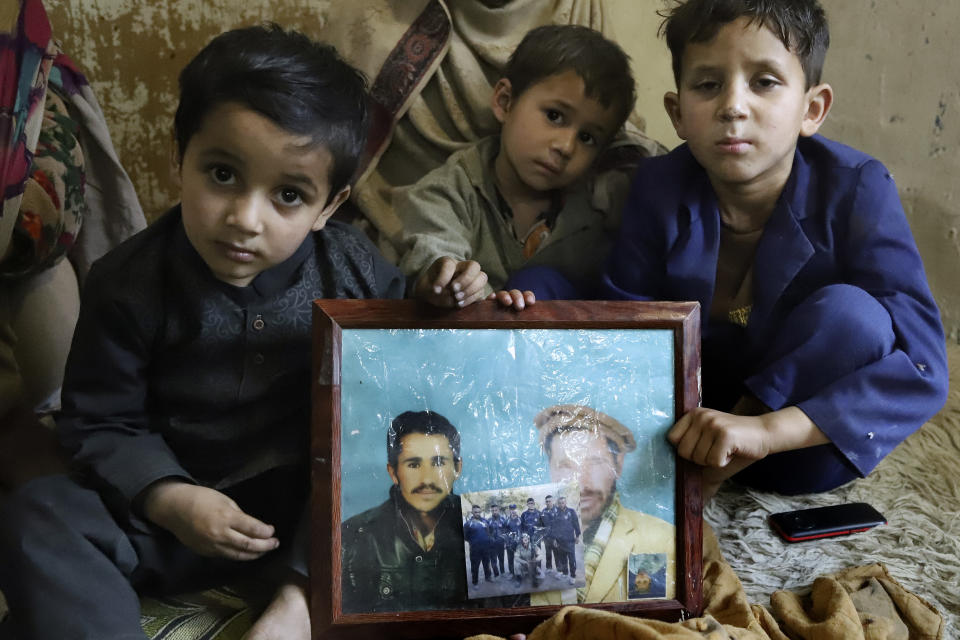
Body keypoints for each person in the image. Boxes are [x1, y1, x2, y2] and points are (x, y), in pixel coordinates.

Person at [0, 24, 404, 640]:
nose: (244, 218)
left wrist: (449, 292)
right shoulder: (127, 281)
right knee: (36, 515)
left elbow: (406, 371)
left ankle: (297, 605)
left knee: (410, 479)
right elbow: (103, 420)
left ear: (329, 206)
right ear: (178, 157)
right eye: (222, 175)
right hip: (177, 520)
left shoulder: (354, 270)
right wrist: (170, 498)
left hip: (310, 520)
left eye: (288, 195)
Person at [602, 0, 949, 498]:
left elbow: (924, 368)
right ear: (678, 114)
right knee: (543, 290)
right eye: (707, 84)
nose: (733, 106)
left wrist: (762, 432)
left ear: (812, 109)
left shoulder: (857, 188)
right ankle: (685, 476)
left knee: (853, 316)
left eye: (764, 81)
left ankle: (705, 483)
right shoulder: (658, 185)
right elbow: (625, 322)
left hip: (797, 452)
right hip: (684, 431)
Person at [396, 24, 639, 311]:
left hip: (562, 346)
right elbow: (432, 254)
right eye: (555, 116)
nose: (566, 147)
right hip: (470, 341)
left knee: (542, 281)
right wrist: (453, 281)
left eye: (587, 137)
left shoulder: (599, 206)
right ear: (505, 102)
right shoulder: (448, 192)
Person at [530, 404, 675, 605]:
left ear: (619, 464)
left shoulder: (666, 539)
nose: (582, 483)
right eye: (565, 465)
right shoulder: (523, 540)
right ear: (550, 470)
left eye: (596, 462)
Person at [341, 410, 468, 612]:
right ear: (393, 472)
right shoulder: (352, 537)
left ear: (457, 468)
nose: (427, 479)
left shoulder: (486, 526)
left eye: (438, 463)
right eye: (414, 464)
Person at [549, 495, 582, 585]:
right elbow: (554, 528)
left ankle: (573, 576)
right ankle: (565, 573)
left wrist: (577, 536)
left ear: (565, 502)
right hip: (560, 541)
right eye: (559, 503)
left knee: (572, 560)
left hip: (570, 540)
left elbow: (576, 524)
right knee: (562, 559)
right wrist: (555, 539)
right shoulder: (555, 513)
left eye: (563, 502)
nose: (561, 504)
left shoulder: (571, 512)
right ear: (557, 504)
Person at [464, 504, 497, 587]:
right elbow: (465, 537)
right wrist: (474, 542)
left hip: (486, 548)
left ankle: (488, 577)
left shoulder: (485, 521)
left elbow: (491, 531)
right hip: (475, 550)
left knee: (487, 564)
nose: (477, 513)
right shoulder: (468, 524)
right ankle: (475, 582)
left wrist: (489, 539)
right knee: (475, 566)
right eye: (475, 512)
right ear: (472, 512)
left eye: (479, 512)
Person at [487, 502, 508, 577]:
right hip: (492, 544)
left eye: (496, 510)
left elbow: (505, 531)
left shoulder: (503, 519)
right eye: (492, 510)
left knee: (501, 559)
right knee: (493, 561)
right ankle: (496, 574)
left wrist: (505, 542)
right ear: (491, 511)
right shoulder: (488, 520)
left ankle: (502, 572)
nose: (494, 512)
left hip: (501, 543)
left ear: (498, 510)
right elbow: (487, 533)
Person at [540, 494, 558, 576]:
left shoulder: (558, 510)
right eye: (546, 501)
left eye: (549, 501)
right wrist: (543, 536)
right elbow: (541, 525)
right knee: (548, 553)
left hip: (555, 537)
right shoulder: (543, 511)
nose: (548, 503)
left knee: (557, 553)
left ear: (553, 501)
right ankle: (549, 568)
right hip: (547, 537)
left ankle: (559, 570)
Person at [504, 503, 523, 575]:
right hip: (510, 544)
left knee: (520, 559)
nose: (513, 511)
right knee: (510, 559)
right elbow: (505, 533)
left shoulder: (521, 519)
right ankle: (511, 573)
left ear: (516, 509)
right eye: (511, 509)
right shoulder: (507, 521)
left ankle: (521, 573)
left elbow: (524, 531)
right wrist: (506, 543)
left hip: (519, 543)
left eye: (514, 509)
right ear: (509, 510)